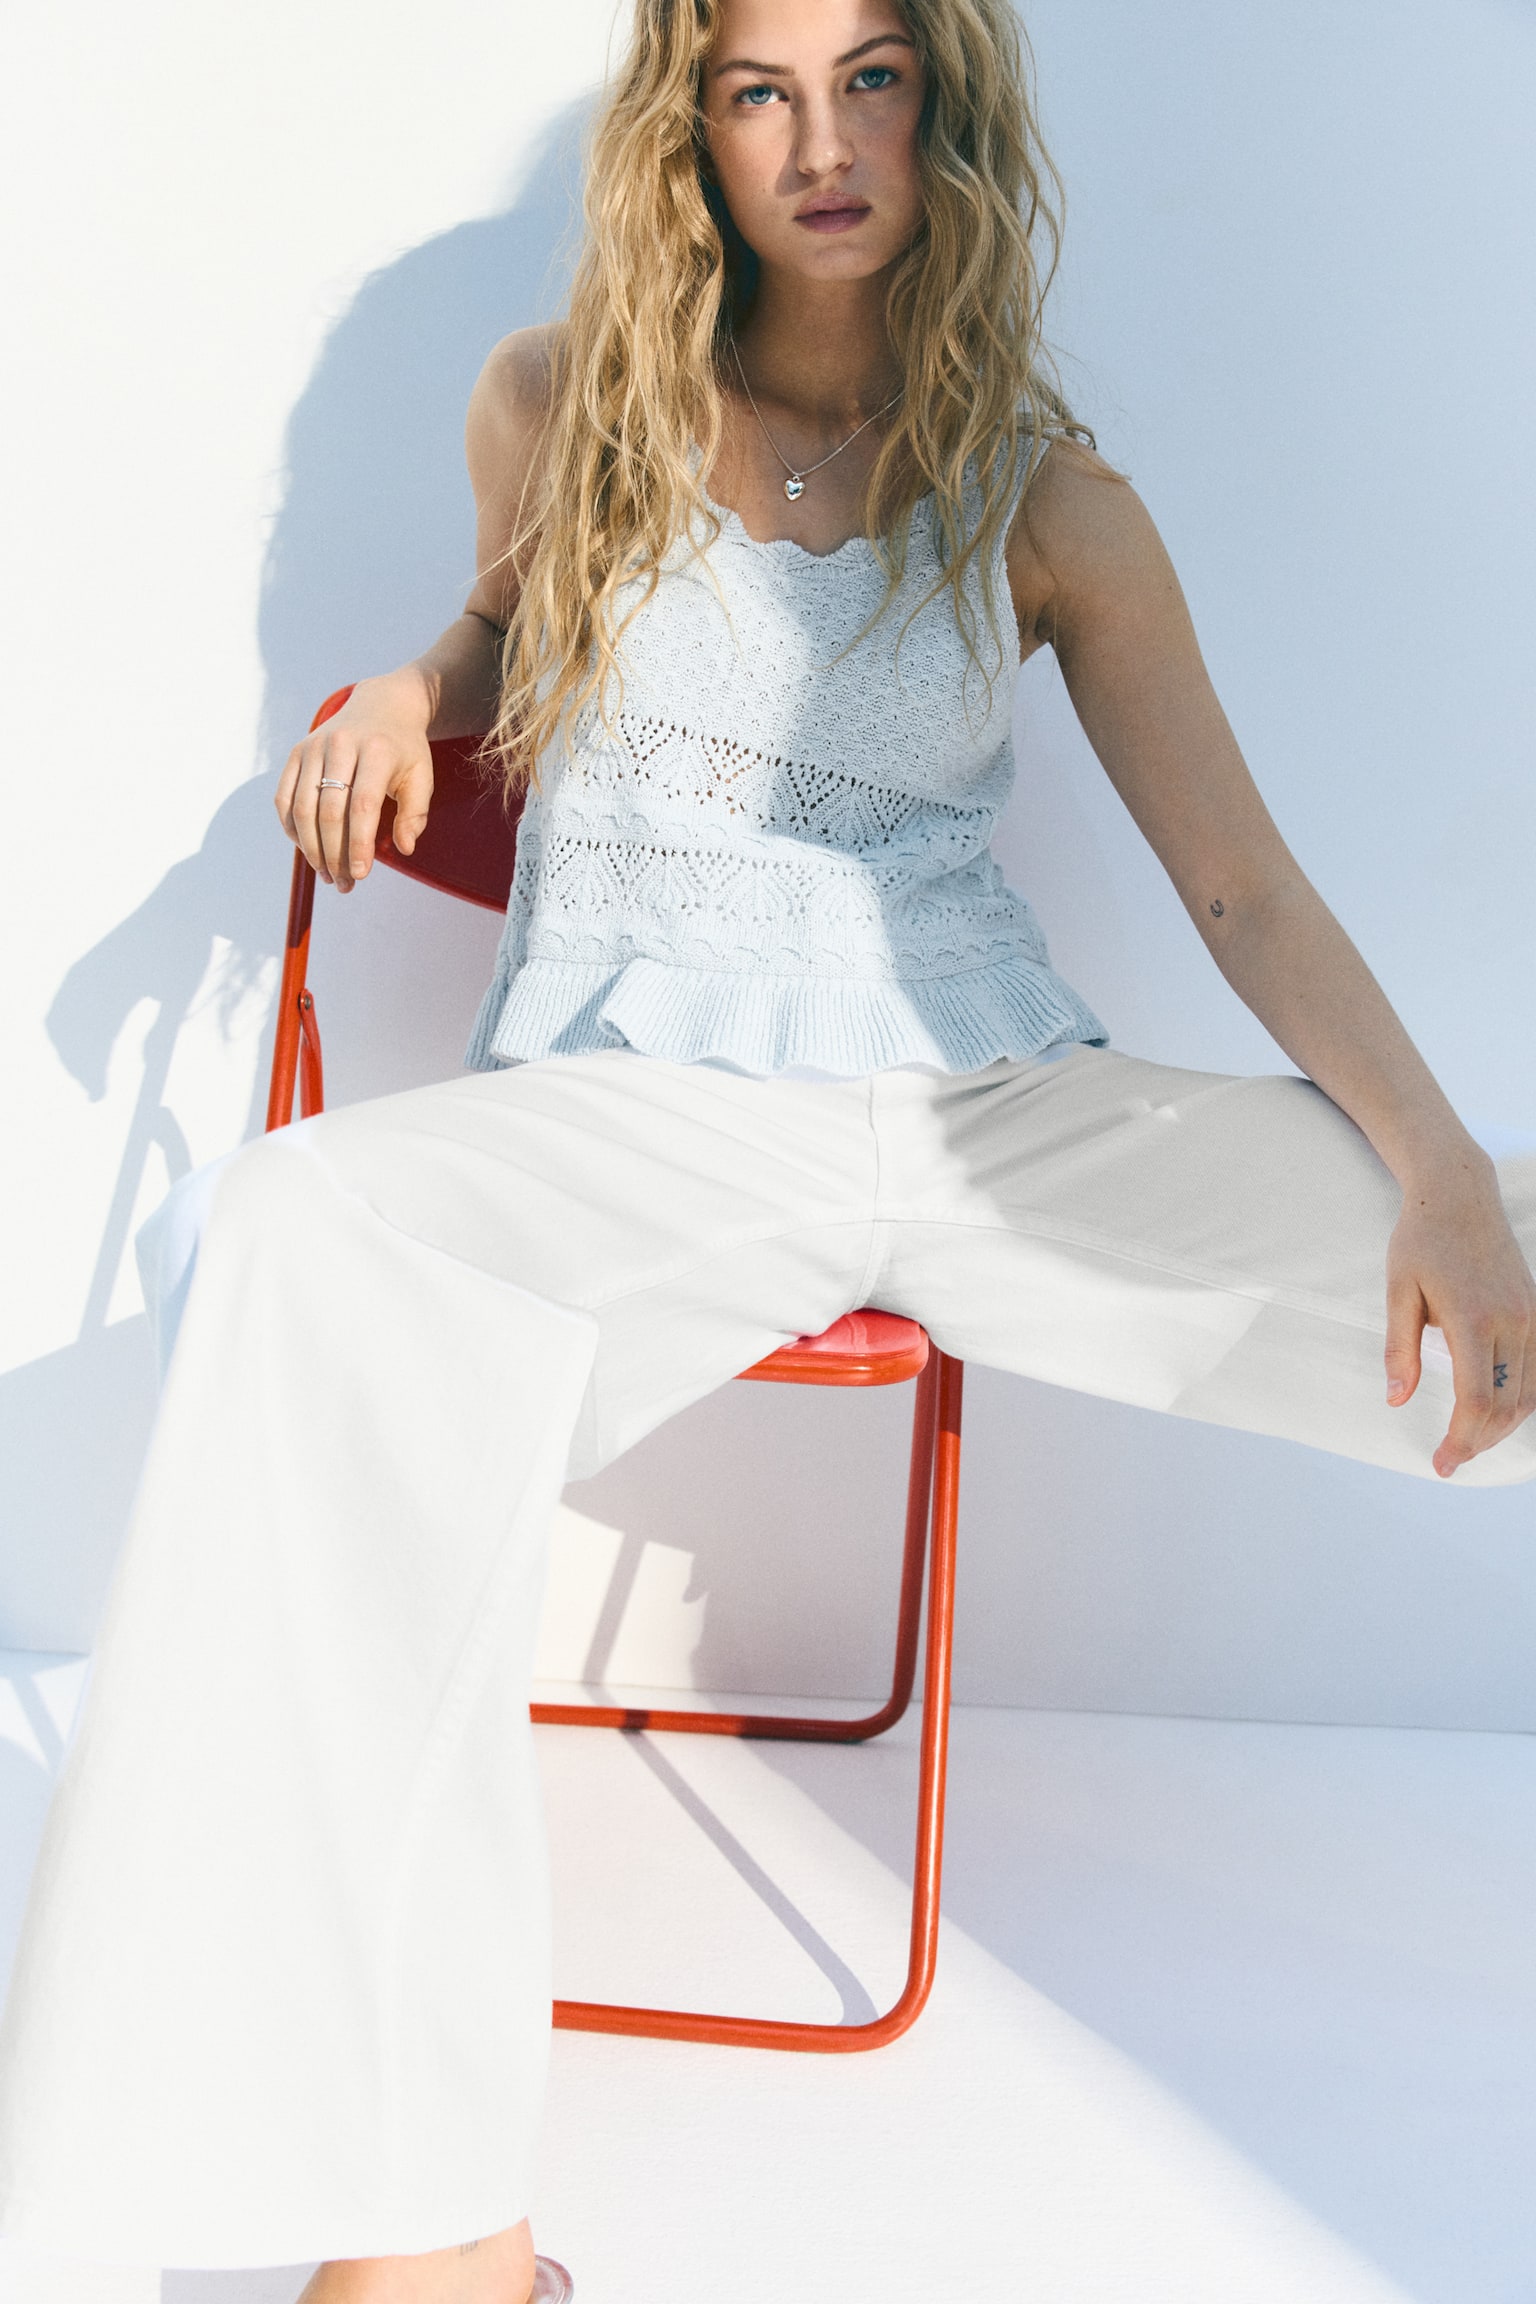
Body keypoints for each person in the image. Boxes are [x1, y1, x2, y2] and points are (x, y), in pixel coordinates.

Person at [2, 0, 1533, 2297]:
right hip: (654, 1110)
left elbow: (1239, 889)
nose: (822, 138)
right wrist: (412, 690)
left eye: (871, 78)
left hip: (991, 1110)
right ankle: (434, 2240)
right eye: (759, 89)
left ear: (946, 110)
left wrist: (1448, 1177)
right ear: (692, 132)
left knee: (1506, 1254)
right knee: (289, 1233)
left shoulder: (1051, 500)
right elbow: (505, 631)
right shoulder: (559, 405)